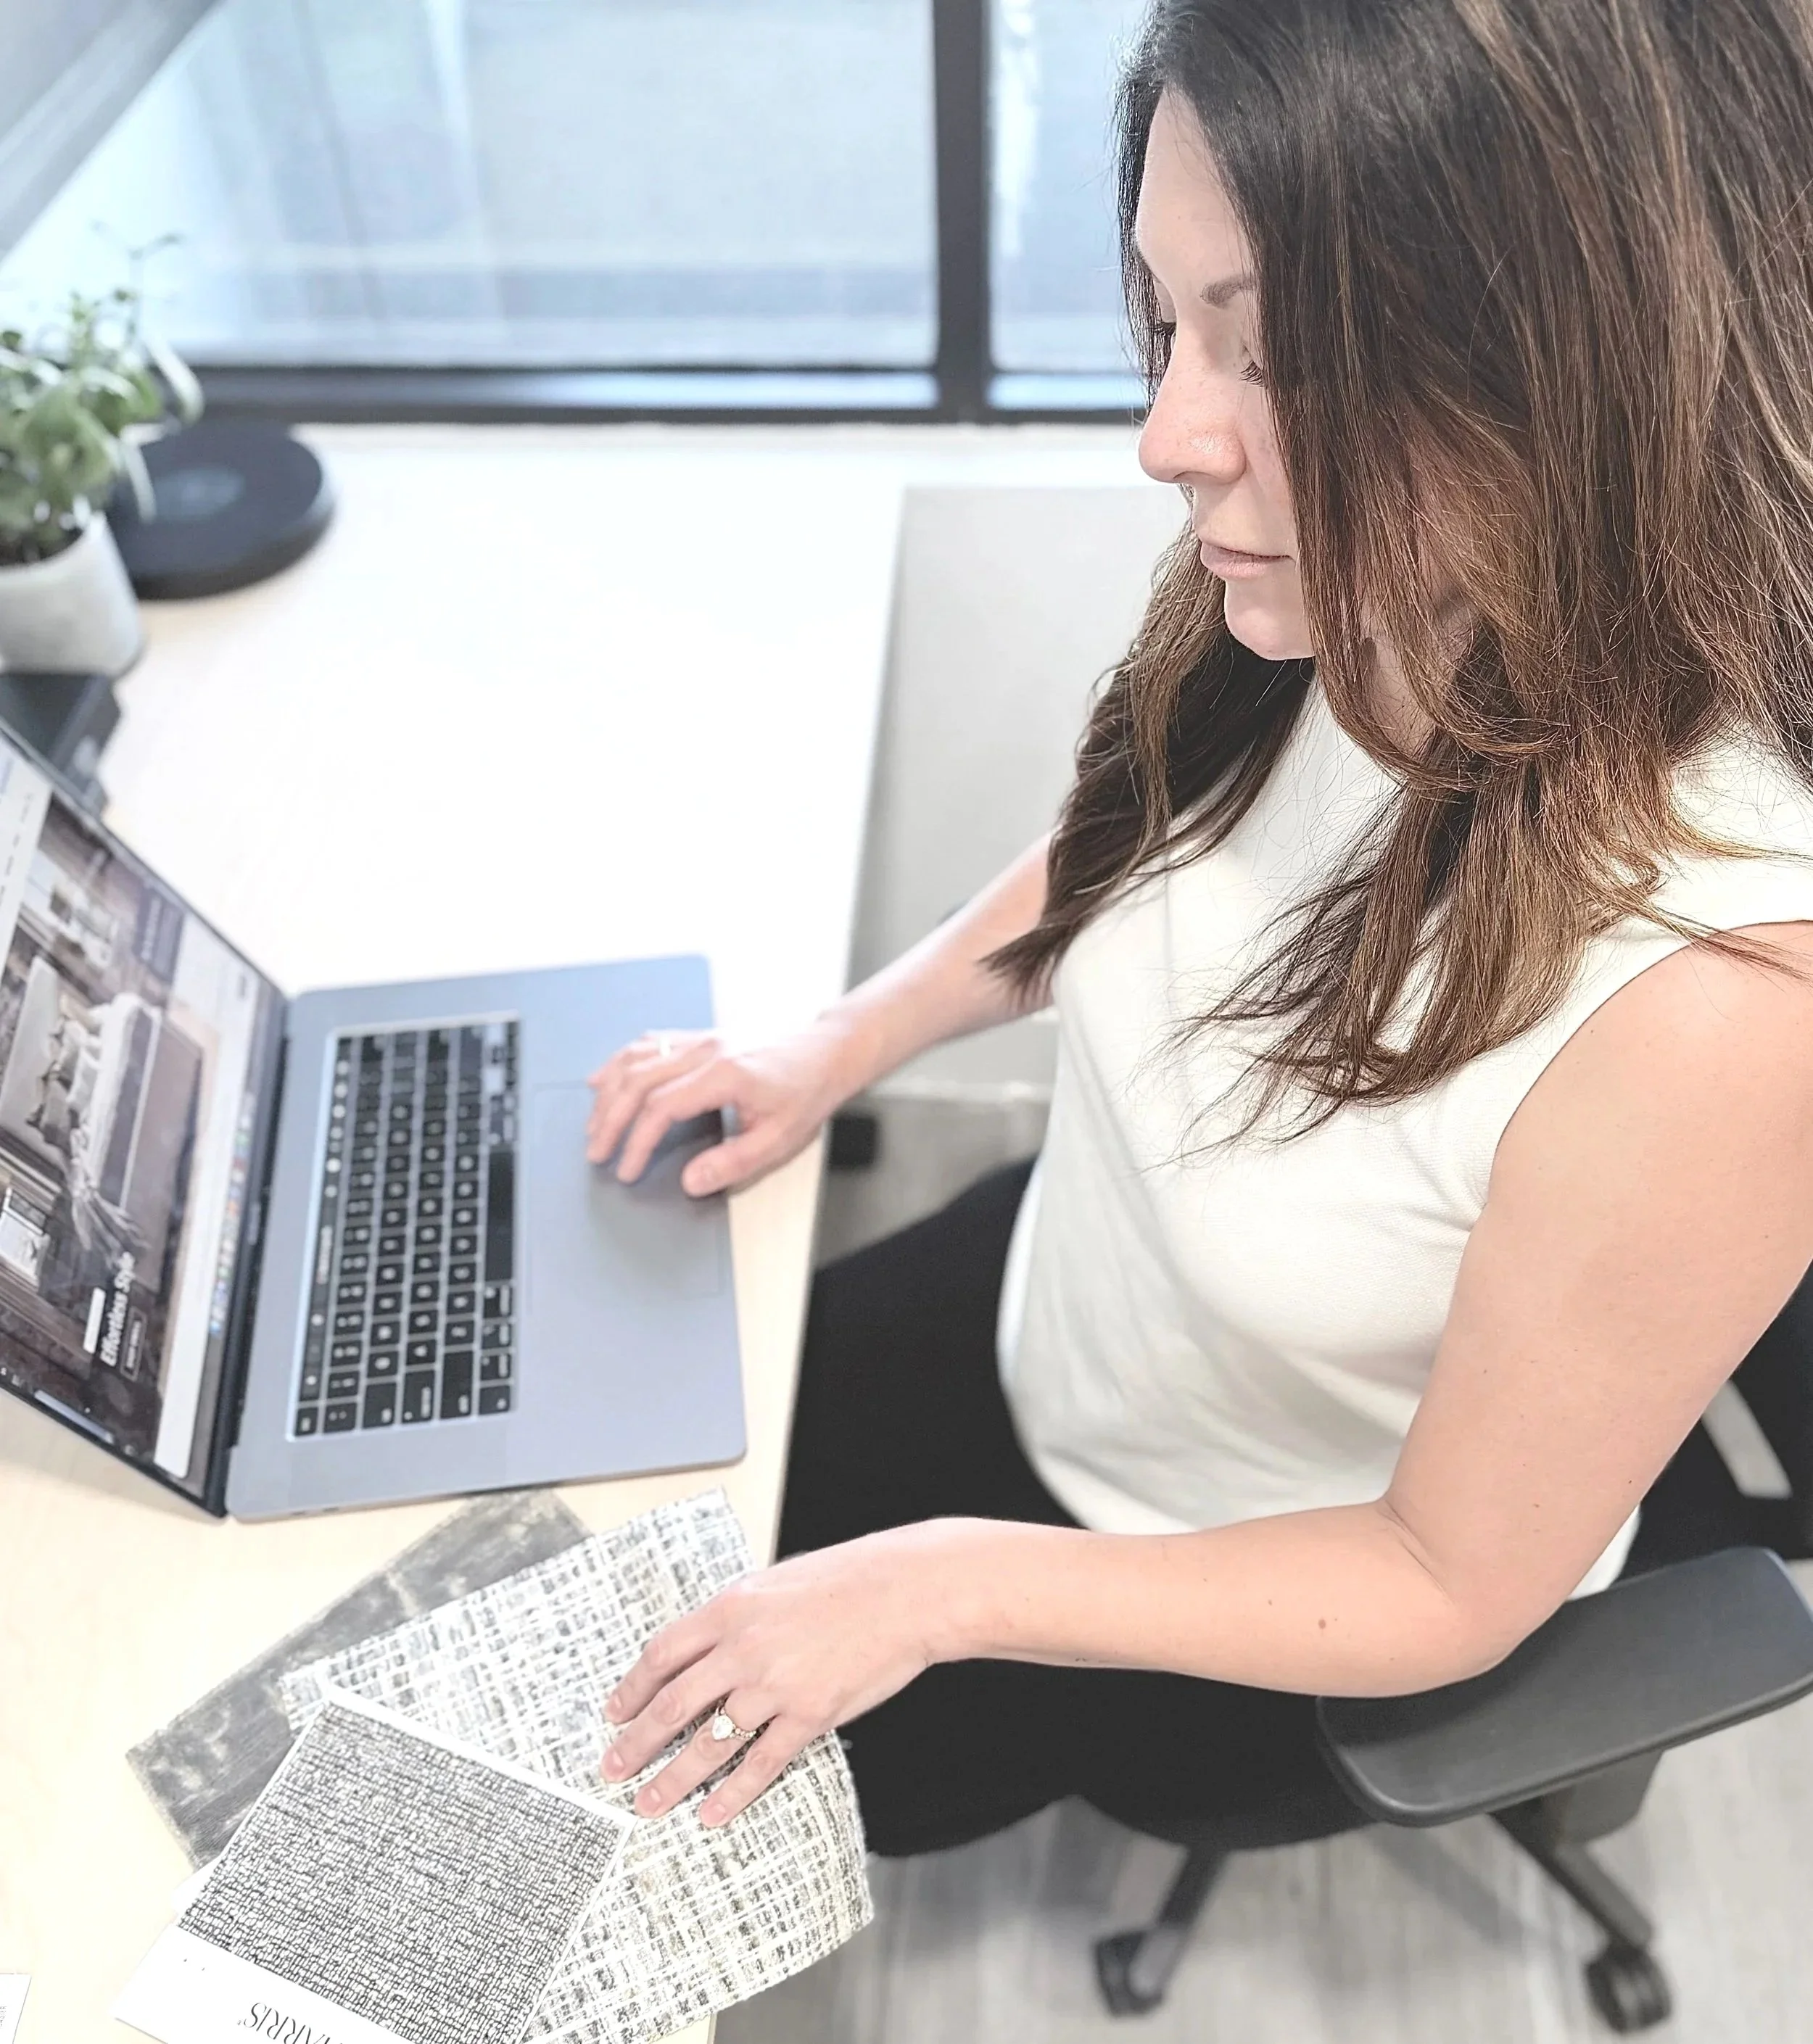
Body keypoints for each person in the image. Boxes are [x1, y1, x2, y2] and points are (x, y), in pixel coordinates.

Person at [586, 0, 1813, 1856]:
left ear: (1589, 356)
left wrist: (932, 1589)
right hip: (1068, 1301)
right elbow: (1149, 853)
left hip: (1249, 1592)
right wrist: (843, 1039)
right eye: (1169, 324)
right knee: (634, 1501)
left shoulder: (1721, 996)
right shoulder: (1361, 570)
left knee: (706, 1798)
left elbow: (1446, 1577)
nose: (1167, 435)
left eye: (1278, 349)